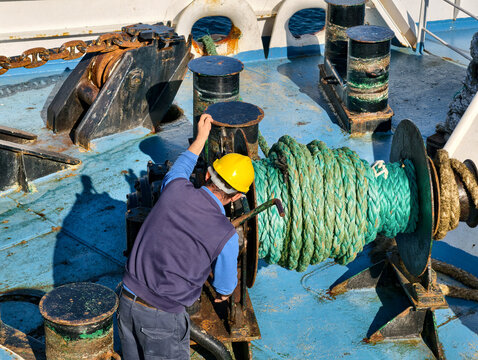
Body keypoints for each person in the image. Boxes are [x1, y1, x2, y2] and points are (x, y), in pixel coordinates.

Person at [117, 113, 255, 360]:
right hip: (161, 318)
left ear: (206, 175)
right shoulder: (226, 235)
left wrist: (202, 137)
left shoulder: (174, 186)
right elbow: (224, 288)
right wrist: (222, 294)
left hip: (126, 299)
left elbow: (184, 163)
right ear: (236, 197)